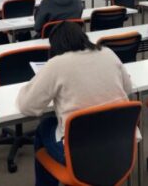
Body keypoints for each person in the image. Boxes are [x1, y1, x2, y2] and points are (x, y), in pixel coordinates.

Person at [17, 21, 133, 186]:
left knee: (44, 127)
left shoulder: (57, 64)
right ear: (83, 37)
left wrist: (30, 86)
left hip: (79, 157)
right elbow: (128, 89)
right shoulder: (108, 53)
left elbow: (27, 106)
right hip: (121, 147)